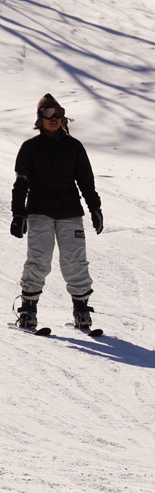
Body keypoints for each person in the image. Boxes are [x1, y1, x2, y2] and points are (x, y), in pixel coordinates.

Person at [10, 94, 103, 333]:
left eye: (58, 114)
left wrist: (95, 207)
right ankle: (28, 312)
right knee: (38, 261)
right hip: (39, 212)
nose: (54, 118)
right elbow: (21, 183)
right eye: (49, 114)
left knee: (75, 262)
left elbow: (86, 180)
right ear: (39, 119)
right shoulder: (30, 148)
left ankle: (81, 311)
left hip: (70, 212)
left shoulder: (74, 146)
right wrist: (18, 214)